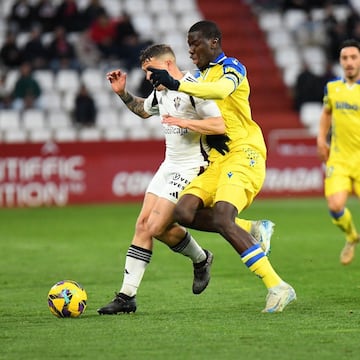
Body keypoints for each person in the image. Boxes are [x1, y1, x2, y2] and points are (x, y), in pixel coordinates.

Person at [97, 44, 273, 315]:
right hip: (169, 165)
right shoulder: (160, 92)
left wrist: (186, 124)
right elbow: (144, 110)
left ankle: (204, 257)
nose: (147, 77)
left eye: (149, 71)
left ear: (167, 65)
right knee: (144, 224)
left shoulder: (193, 88)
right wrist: (122, 94)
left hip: (194, 167)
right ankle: (127, 297)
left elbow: (219, 125)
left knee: (156, 227)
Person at [150, 20, 295, 313]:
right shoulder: (199, 77)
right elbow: (153, 107)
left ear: (213, 42)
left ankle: (277, 286)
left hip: (244, 153)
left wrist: (178, 83)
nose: (191, 50)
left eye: (196, 44)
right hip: (217, 161)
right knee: (182, 212)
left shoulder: (233, 68)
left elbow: (219, 91)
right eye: (188, 45)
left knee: (223, 219)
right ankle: (253, 228)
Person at [316, 39, 360, 265]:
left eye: (353, 57)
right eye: (345, 58)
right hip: (340, 158)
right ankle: (352, 236)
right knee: (335, 206)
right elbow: (326, 113)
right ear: (340, 61)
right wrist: (321, 139)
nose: (349, 62)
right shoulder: (332, 88)